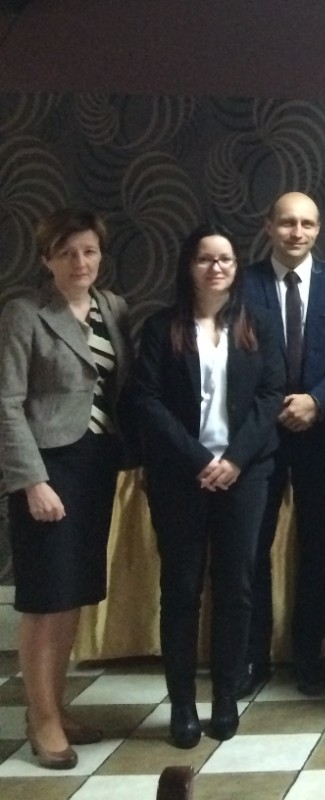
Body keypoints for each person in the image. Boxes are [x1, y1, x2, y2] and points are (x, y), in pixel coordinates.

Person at [125, 224, 283, 749]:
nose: (216, 268)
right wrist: (198, 459)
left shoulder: (258, 324)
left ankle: (225, 698)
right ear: (188, 267)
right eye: (205, 259)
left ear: (237, 268)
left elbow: (271, 395)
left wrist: (234, 459)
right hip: (180, 476)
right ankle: (183, 705)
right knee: (181, 590)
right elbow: (145, 400)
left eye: (226, 260)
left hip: (245, 474)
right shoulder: (161, 327)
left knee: (236, 588)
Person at [0, 210, 132, 769]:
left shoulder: (113, 308)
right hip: (48, 469)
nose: (80, 262)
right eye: (67, 253)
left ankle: (57, 703)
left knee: (74, 593)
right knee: (44, 598)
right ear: (46, 259)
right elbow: (6, 403)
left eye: (89, 251)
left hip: (95, 465)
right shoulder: (25, 313)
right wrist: (32, 480)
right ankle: (41, 717)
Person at [239, 192, 325, 697]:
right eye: (288, 223)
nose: (297, 232)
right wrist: (273, 406)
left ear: (318, 229)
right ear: (269, 226)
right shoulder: (243, 283)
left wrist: (316, 400)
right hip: (258, 433)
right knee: (252, 546)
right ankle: (253, 656)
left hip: (323, 432)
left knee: (317, 548)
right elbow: (232, 356)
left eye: (307, 224)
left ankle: (308, 654)